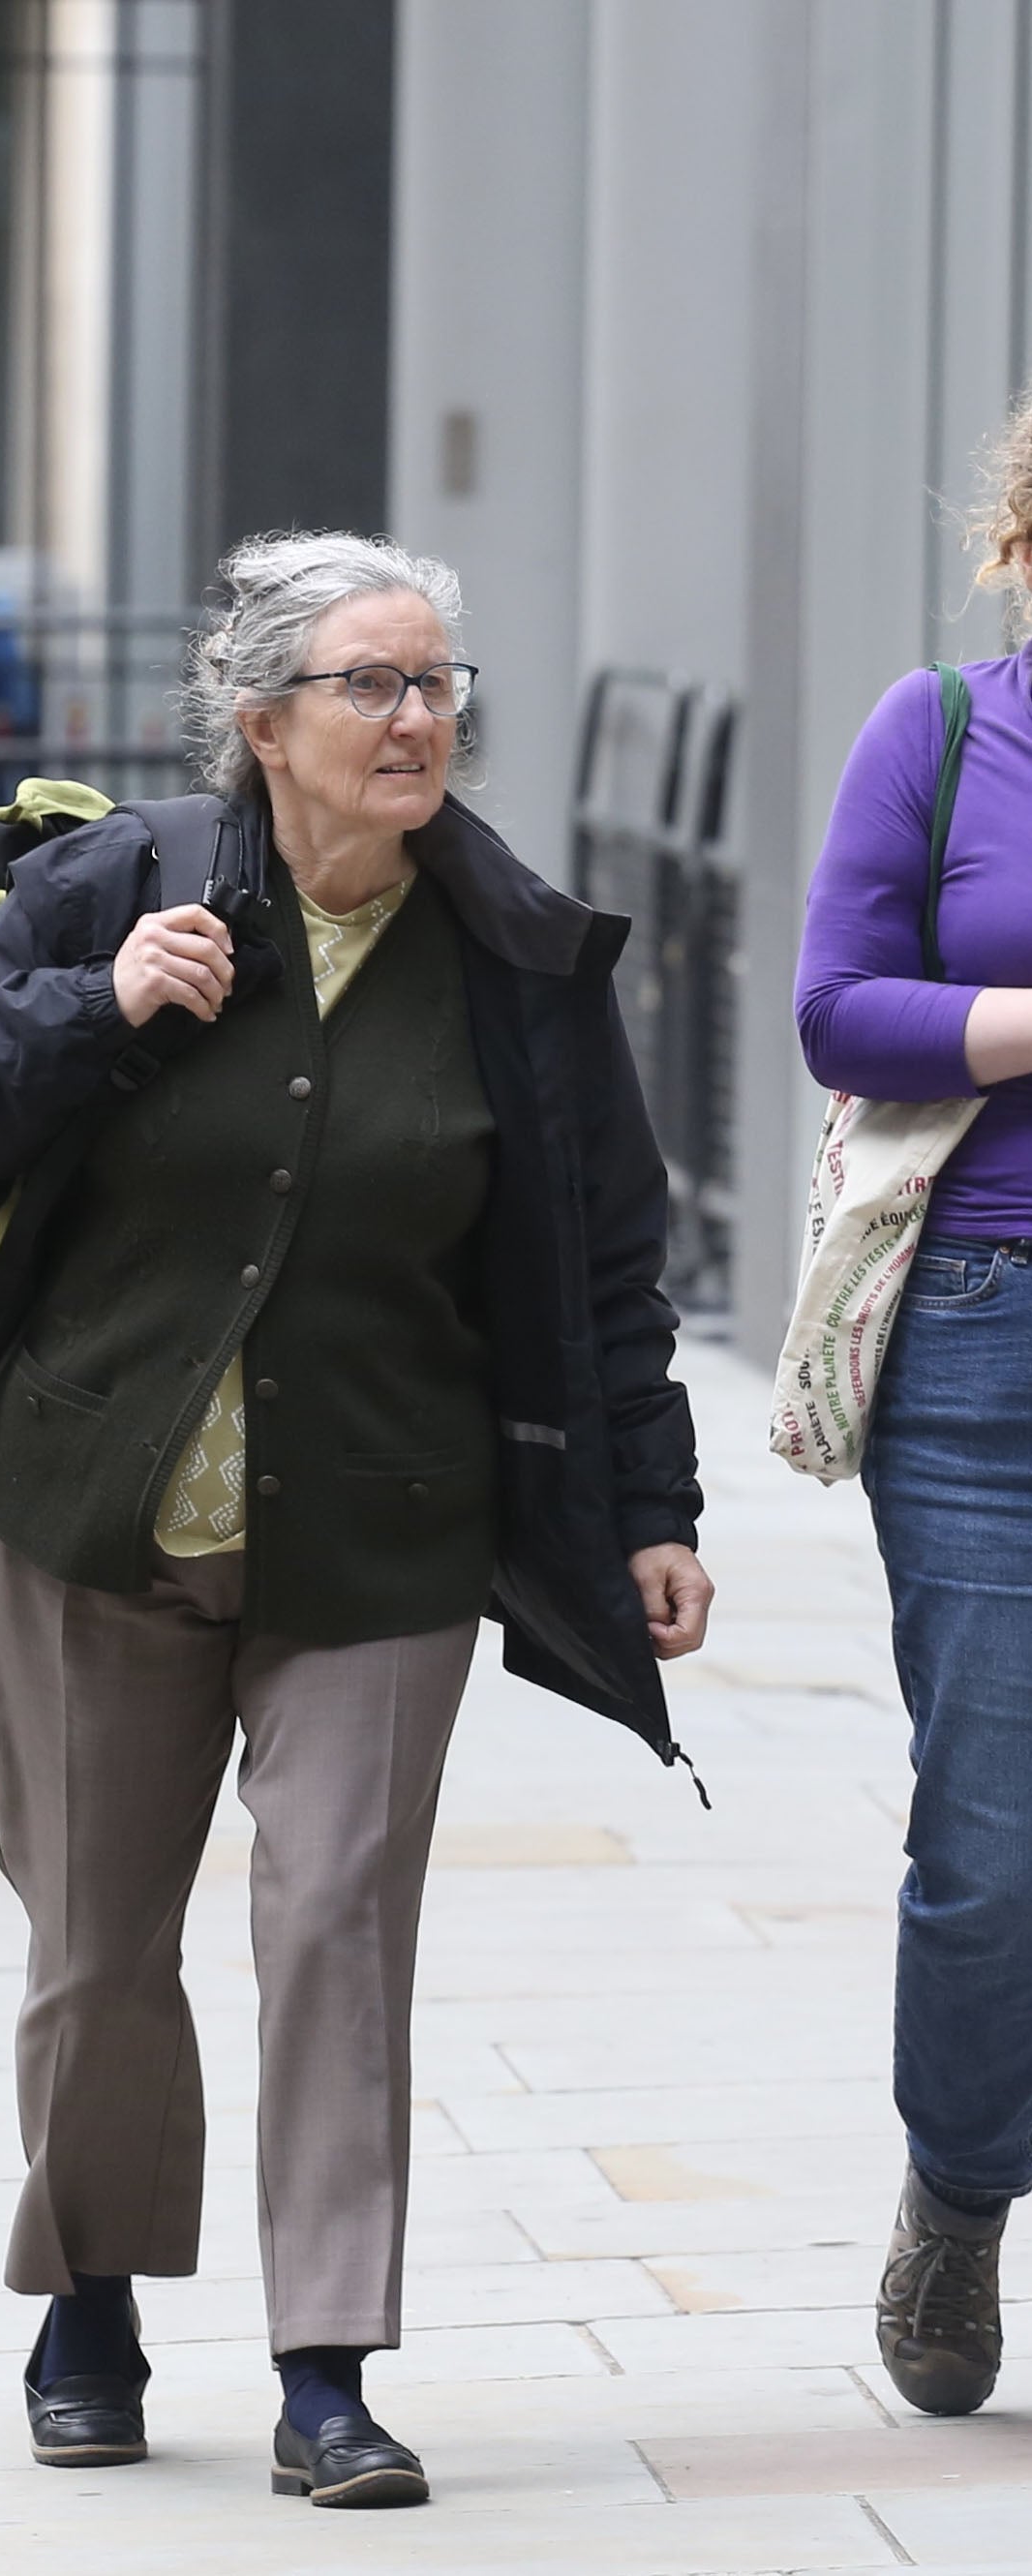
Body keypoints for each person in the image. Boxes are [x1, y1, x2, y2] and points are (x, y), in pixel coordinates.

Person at [0, 530, 712, 2506]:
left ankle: (326, 2363)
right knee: (95, 1947)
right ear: (264, 722)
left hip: (383, 1528)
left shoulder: (515, 955)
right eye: (378, 685)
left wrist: (655, 1504)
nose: (423, 719)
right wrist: (98, 1004)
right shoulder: (117, 885)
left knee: (336, 1922)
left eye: (438, 685)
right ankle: (89, 2291)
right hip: (102, 1507)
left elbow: (607, 1257)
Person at [796, 396, 1032, 2417]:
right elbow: (837, 1003)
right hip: (988, 1330)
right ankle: (961, 2188)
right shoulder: (943, 732)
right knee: (995, 1832)